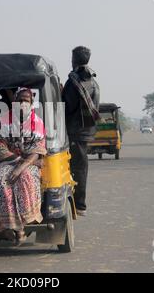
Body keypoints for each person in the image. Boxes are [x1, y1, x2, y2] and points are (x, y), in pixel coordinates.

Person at [0, 88, 47, 245]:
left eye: (26, 101)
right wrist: (20, 161)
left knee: (25, 177)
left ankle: (22, 227)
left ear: (31, 103)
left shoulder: (38, 122)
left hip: (27, 163)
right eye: (20, 100)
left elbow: (37, 150)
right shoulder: (2, 121)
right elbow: (1, 149)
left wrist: (21, 167)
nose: (22, 103)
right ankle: (10, 226)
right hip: (7, 161)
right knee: (1, 179)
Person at [62, 46, 100, 216]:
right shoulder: (93, 80)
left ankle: (78, 204)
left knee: (76, 168)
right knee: (81, 167)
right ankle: (79, 203)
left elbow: (67, 106)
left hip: (75, 131)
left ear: (74, 60)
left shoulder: (75, 81)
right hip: (85, 132)